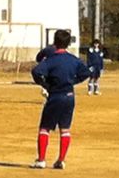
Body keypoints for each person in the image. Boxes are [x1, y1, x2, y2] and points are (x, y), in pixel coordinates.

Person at [30, 29, 91, 170]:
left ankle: (41, 160)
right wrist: (73, 81)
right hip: (69, 96)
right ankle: (61, 160)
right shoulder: (73, 59)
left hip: (55, 96)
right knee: (65, 129)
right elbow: (86, 72)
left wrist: (45, 84)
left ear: (54, 42)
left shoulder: (51, 60)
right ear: (69, 43)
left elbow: (36, 71)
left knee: (45, 128)